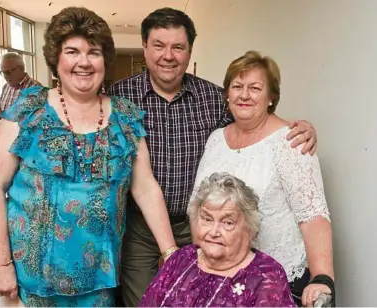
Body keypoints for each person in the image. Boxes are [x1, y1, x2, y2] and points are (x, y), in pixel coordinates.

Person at [108, 7, 318, 306]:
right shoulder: (120, 98)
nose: (168, 55)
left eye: (178, 47)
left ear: (189, 51)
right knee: (147, 300)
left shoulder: (212, 97)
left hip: (200, 227)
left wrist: (296, 129)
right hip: (140, 228)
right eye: (159, 45)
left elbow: (251, 121)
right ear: (145, 47)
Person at [0, 7, 177, 307]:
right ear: (56, 59)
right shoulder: (28, 110)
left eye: (94, 52)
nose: (83, 62)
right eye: (72, 51)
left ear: (104, 60)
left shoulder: (124, 117)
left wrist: (170, 253)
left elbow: (145, 188)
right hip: (31, 281)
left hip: (99, 279)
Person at [192, 50, 335, 307]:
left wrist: (322, 277)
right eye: (237, 86)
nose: (244, 95)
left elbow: (313, 216)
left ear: (271, 97)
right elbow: (199, 204)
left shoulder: (290, 141)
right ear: (227, 94)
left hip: (275, 282)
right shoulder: (216, 139)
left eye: (255, 88)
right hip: (221, 277)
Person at [140, 173, 296, 307]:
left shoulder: (266, 275)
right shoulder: (182, 259)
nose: (214, 232)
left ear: (249, 228)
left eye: (227, 222)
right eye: (207, 219)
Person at [0, 53, 41, 119]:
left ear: (20, 69)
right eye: (3, 72)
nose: (5, 76)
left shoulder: (36, 88)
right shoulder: (6, 87)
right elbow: (0, 107)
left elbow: (40, 119)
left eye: (8, 72)